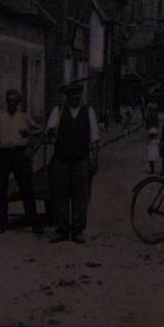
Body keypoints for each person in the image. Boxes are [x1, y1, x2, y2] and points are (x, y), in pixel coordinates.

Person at [0, 89, 44, 236]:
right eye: (10, 101)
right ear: (6, 102)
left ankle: (34, 223)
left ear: (19, 103)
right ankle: (0, 224)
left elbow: (39, 132)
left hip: (20, 155)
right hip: (1, 155)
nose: (12, 104)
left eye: (15, 101)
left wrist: (31, 150)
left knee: (27, 189)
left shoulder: (24, 118)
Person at [45, 82, 101, 244]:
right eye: (72, 95)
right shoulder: (59, 110)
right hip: (61, 159)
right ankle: (62, 229)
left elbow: (94, 138)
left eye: (78, 95)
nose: (75, 98)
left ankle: (77, 230)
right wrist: (51, 132)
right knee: (60, 195)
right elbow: (49, 133)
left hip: (81, 160)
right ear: (67, 96)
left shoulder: (88, 111)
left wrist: (94, 160)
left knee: (81, 196)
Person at [144, 101, 163, 174]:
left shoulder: (155, 104)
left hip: (153, 140)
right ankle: (152, 168)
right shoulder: (149, 104)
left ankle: (153, 168)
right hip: (151, 139)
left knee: (152, 153)